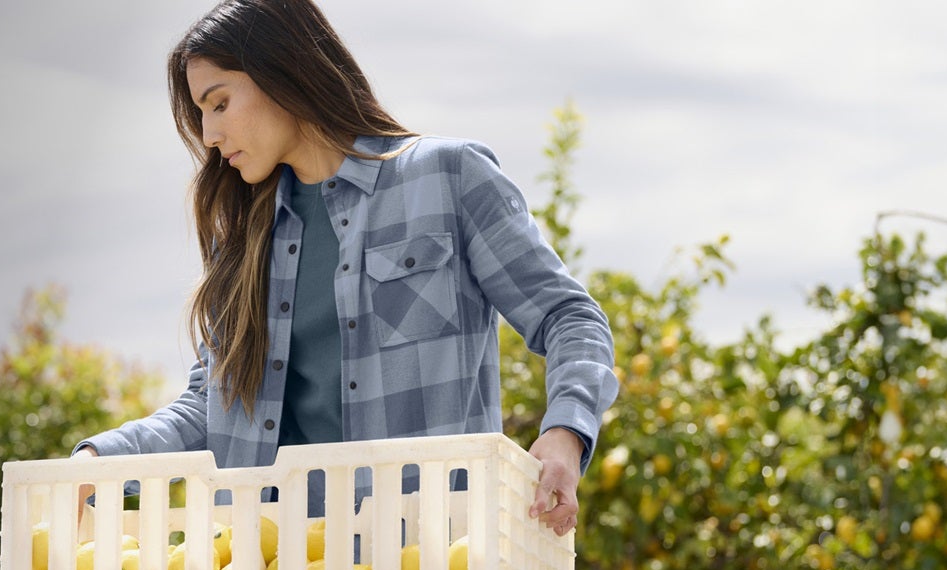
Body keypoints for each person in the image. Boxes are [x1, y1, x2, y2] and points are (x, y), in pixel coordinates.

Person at [71, 0, 617, 538]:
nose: (209, 136)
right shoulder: (241, 240)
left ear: (281, 71)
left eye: (218, 104)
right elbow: (209, 407)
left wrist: (567, 431)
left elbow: (570, 318)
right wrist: (102, 457)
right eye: (201, 114)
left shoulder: (447, 178)